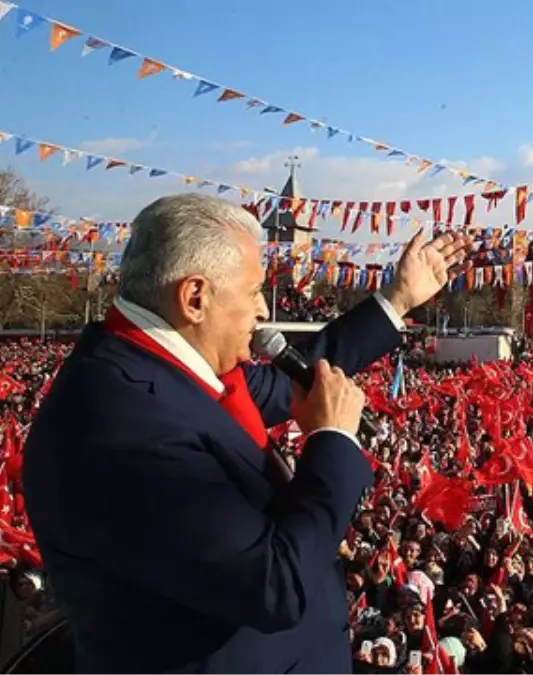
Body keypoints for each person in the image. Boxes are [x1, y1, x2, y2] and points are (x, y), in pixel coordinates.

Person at [20, 194, 470, 675]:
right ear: (195, 297)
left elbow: (296, 375)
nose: (262, 310)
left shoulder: (169, 370)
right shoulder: (120, 422)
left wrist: (396, 300)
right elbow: (273, 585)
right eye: (254, 290)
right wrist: (332, 442)